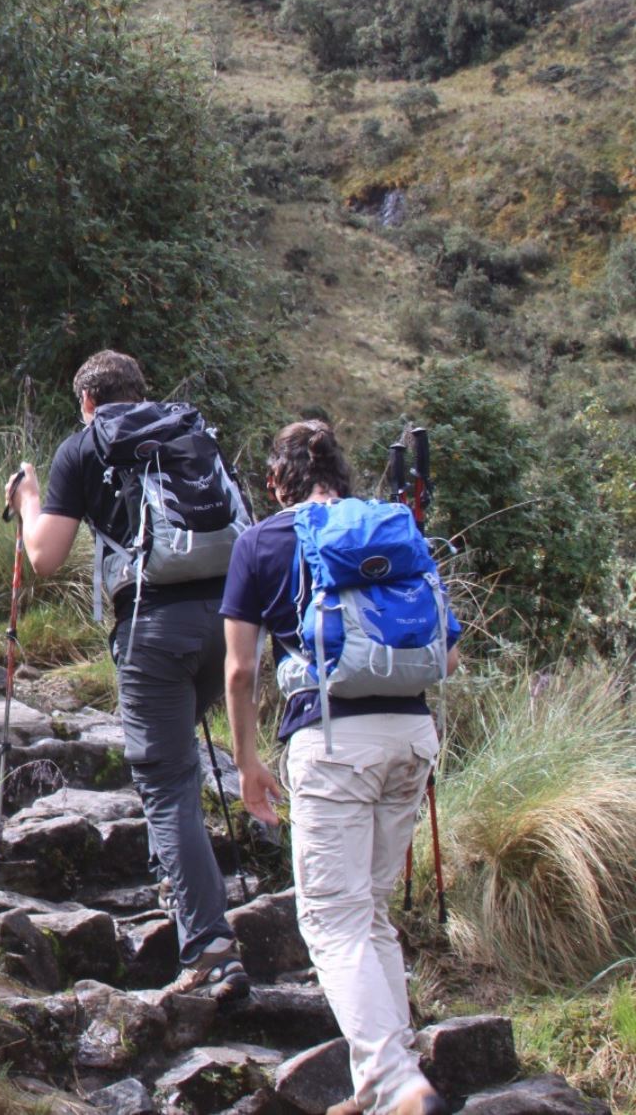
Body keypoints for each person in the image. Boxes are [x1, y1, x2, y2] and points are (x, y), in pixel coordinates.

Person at [222, 421, 459, 1115]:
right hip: (412, 732)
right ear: (343, 476)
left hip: (332, 741)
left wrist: (246, 762)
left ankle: (399, 1084)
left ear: (276, 481)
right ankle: (379, 1079)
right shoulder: (394, 527)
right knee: (369, 914)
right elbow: (447, 655)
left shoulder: (262, 541)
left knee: (330, 919)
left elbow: (240, 671)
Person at [3, 350, 248, 997]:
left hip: (154, 626)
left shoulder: (85, 447)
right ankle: (175, 875)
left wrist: (28, 499)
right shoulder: (191, 434)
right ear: (143, 392)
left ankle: (210, 947)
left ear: (87, 401)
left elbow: (45, 556)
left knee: (167, 782)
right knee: (177, 762)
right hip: (227, 622)